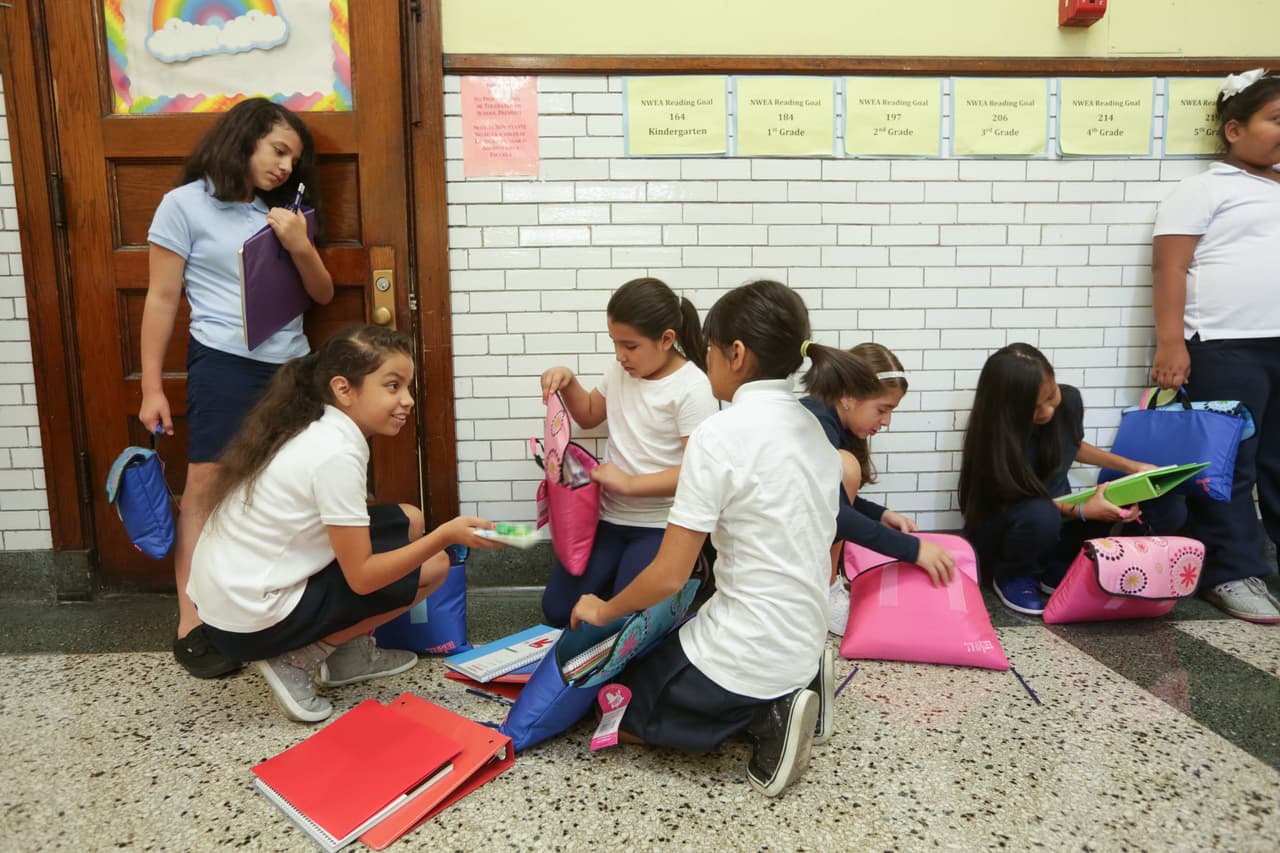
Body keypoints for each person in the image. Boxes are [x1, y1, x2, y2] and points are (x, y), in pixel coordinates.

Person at [570, 280, 877, 798]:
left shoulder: (721, 434)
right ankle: (804, 679)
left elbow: (668, 576)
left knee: (620, 706)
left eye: (709, 349)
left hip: (748, 652)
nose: (705, 359)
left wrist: (604, 610)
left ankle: (771, 717)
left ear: (736, 353)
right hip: (807, 633)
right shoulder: (817, 434)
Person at [187, 325, 499, 722]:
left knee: (410, 518)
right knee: (435, 564)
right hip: (249, 621)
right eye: (393, 386)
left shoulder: (320, 427)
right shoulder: (335, 453)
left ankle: (345, 656)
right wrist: (445, 535)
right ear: (344, 389)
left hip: (229, 598)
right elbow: (363, 578)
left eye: (408, 387)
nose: (407, 400)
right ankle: (298, 660)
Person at [138, 98, 335, 678]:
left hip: (293, 368)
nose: (285, 166)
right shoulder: (183, 205)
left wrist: (299, 242)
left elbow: (321, 294)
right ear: (244, 139)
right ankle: (193, 621)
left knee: (287, 488)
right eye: (278, 151)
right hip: (223, 364)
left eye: (293, 159)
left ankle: (275, 611)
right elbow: (161, 299)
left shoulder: (283, 212)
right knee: (205, 489)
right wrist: (152, 387)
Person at [1150, 68, 1280, 623]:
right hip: (1225, 346)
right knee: (1230, 465)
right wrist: (1170, 344)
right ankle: (1228, 573)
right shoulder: (1204, 188)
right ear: (1234, 129)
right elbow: (1170, 268)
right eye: (1276, 120)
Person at [539, 278, 718, 627]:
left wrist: (631, 484)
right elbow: (589, 414)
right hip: (608, 519)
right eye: (615, 343)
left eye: (630, 346)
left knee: (626, 622)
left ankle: (692, 566)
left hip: (662, 526)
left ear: (666, 339)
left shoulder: (694, 388)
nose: (620, 355)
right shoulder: (620, 371)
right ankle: (620, 577)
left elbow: (697, 472)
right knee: (557, 610)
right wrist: (568, 380)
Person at [958, 343, 1187, 616]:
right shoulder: (993, 438)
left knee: (1165, 501)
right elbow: (1014, 500)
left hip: (1060, 514)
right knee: (1041, 514)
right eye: (1034, 408)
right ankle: (1012, 575)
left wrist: (1133, 467)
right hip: (1011, 525)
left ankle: (1087, 568)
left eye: (1050, 396)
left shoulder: (1068, 402)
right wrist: (1082, 510)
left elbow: (1072, 445)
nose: (1047, 411)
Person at [800, 343, 956, 636]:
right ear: (848, 397)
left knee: (845, 468)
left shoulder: (823, 417)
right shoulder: (816, 425)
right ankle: (824, 591)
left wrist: (881, 514)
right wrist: (914, 550)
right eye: (882, 410)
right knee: (847, 466)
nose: (886, 421)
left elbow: (829, 496)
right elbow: (835, 514)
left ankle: (824, 586)